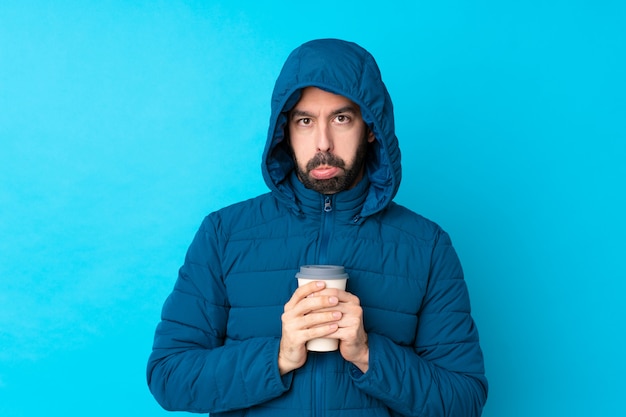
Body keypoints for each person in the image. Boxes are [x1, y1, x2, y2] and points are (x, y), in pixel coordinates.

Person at [147, 38, 488, 416]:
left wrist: (368, 354)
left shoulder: (427, 246)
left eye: (341, 119)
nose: (322, 143)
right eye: (305, 121)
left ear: (370, 128)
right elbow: (170, 377)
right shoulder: (224, 234)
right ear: (285, 131)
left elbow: (464, 398)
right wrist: (277, 357)